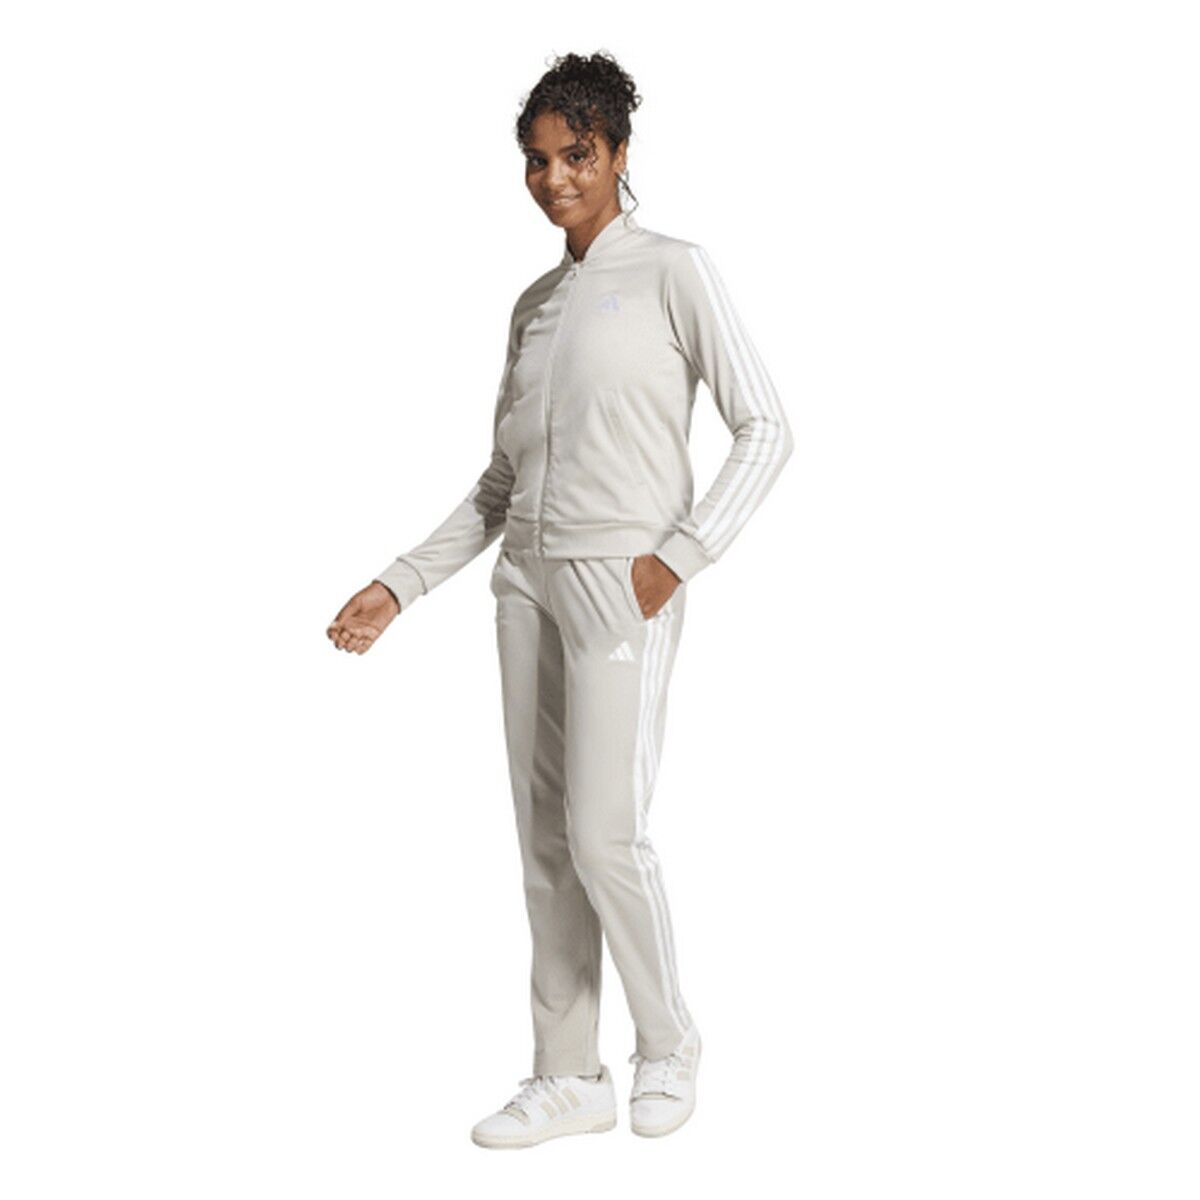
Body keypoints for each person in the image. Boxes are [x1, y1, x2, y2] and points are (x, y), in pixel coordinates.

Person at [326, 51, 793, 1148]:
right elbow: (504, 480)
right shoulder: (533, 306)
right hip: (524, 587)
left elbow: (767, 427)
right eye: (536, 161)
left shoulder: (675, 270)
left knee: (605, 833)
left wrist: (679, 556)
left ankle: (668, 1042)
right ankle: (569, 1074)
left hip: (621, 583)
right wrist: (399, 583)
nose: (554, 179)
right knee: (544, 839)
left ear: (619, 153)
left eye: (576, 155)